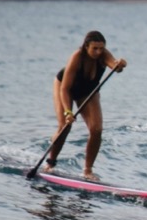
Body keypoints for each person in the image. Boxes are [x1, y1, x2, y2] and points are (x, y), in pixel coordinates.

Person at [45, 30, 126, 180]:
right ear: (86, 46)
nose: (98, 52)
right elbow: (65, 89)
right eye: (94, 48)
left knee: (97, 129)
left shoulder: (103, 55)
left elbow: (115, 66)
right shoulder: (77, 57)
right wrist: (68, 112)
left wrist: (120, 64)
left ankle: (88, 171)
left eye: (101, 48)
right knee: (65, 126)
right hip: (65, 88)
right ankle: (50, 163)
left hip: (87, 92)